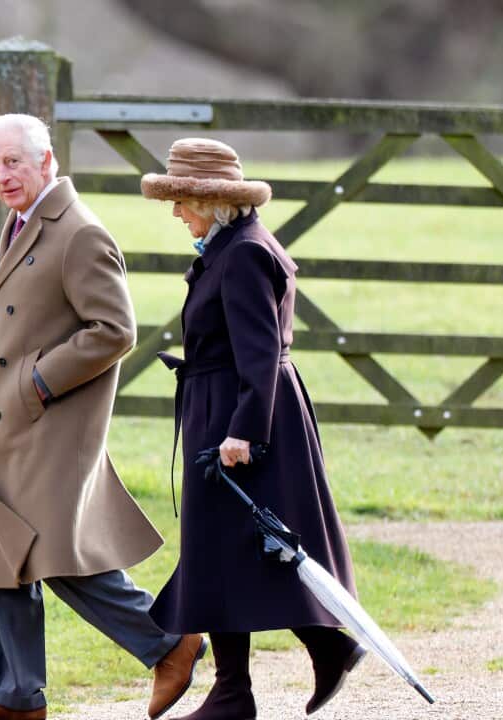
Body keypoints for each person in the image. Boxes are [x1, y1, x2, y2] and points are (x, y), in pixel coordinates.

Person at [0, 114, 206, 720]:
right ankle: (15, 696)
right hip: (5, 421)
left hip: (49, 426)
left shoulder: (78, 232)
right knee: (2, 552)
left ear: (46, 161)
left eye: (14, 162)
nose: (3, 175)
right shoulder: (20, 224)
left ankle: (171, 643)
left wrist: (34, 383)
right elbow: (18, 328)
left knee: (47, 553)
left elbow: (114, 330)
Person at [140, 138, 366, 719]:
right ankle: (260, 679)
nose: (175, 212)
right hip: (222, 406)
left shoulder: (242, 254)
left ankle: (272, 673)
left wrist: (242, 433)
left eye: (181, 199)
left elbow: (261, 353)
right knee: (228, 550)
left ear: (212, 200)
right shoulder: (229, 245)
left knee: (251, 546)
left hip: (240, 414)